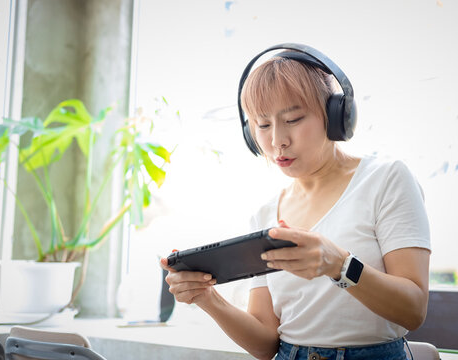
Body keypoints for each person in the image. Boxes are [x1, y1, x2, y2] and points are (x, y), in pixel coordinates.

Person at [160, 44, 431, 360]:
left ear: (336, 115)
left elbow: (413, 310)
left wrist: (339, 265)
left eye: (294, 119)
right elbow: (265, 344)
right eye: (262, 125)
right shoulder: (265, 214)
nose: (277, 141)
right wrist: (207, 298)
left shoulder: (385, 179)